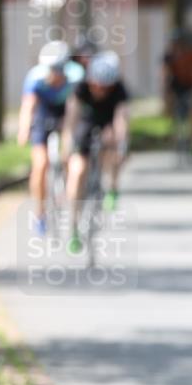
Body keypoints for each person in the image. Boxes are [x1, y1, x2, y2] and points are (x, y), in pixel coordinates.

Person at [63, 51, 130, 254]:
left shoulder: (119, 90)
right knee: (77, 172)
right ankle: (73, 227)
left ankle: (112, 187)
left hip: (108, 123)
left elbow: (121, 120)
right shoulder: (81, 88)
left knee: (113, 152)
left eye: (105, 87)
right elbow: (71, 118)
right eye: (96, 85)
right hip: (86, 122)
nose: (100, 90)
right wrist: (67, 144)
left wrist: (122, 144)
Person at [16, 40, 85, 235]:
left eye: (56, 69)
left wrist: (68, 140)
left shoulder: (75, 76)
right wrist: (23, 130)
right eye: (49, 69)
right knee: (40, 164)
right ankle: (40, 212)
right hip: (44, 114)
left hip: (66, 113)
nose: (52, 74)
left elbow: (74, 111)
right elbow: (28, 107)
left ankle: (67, 187)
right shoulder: (36, 77)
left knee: (68, 154)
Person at [161, 30, 192, 142]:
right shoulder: (168, 56)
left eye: (178, 42)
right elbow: (164, 74)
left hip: (189, 84)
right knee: (169, 104)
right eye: (174, 43)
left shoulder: (191, 55)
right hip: (175, 85)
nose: (176, 45)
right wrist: (165, 92)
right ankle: (171, 129)